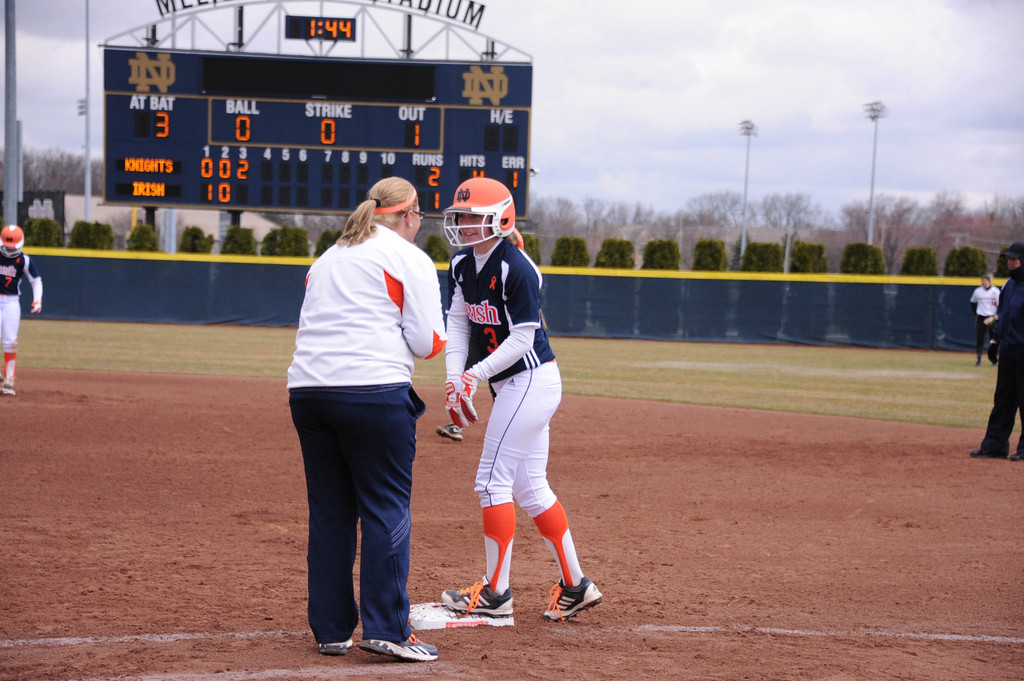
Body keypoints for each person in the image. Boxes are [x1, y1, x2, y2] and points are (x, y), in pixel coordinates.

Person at [287, 177, 446, 662]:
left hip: (308, 392)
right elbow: (427, 343)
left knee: (332, 513)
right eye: (419, 216)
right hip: (373, 393)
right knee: (385, 508)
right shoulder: (408, 258)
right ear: (407, 215)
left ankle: (332, 631)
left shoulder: (327, 257)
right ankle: (389, 630)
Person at [437, 177, 602, 622]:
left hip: (530, 379)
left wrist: (474, 373)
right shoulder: (461, 265)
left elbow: (523, 337)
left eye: (474, 217)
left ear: (501, 218)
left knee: (491, 482)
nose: (465, 224)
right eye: (462, 216)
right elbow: (457, 322)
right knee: (530, 487)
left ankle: (496, 593)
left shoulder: (516, 267)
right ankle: (576, 585)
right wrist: (456, 377)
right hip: (512, 384)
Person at [971, 242, 1024, 462]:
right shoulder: (1009, 286)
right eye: (1008, 259)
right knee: (1003, 399)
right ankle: (994, 445)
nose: (1011, 263)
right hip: (1009, 350)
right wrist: (994, 341)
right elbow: (1002, 316)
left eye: (1015, 259)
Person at [0, 224, 43, 396]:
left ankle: (10, 379)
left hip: (11, 302)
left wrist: (37, 300)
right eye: (7, 246)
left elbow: (36, 280)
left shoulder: (24, 260)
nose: (10, 250)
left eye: (13, 247)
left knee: (10, 340)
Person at [970, 273, 1000, 366]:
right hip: (981, 317)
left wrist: (996, 316)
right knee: (980, 339)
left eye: (985, 280)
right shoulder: (978, 291)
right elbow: (972, 302)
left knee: (993, 340)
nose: (983, 282)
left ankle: (994, 360)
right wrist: (976, 314)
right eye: (982, 281)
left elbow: (1000, 305)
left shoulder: (995, 291)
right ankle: (978, 359)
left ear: (989, 281)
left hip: (992, 317)